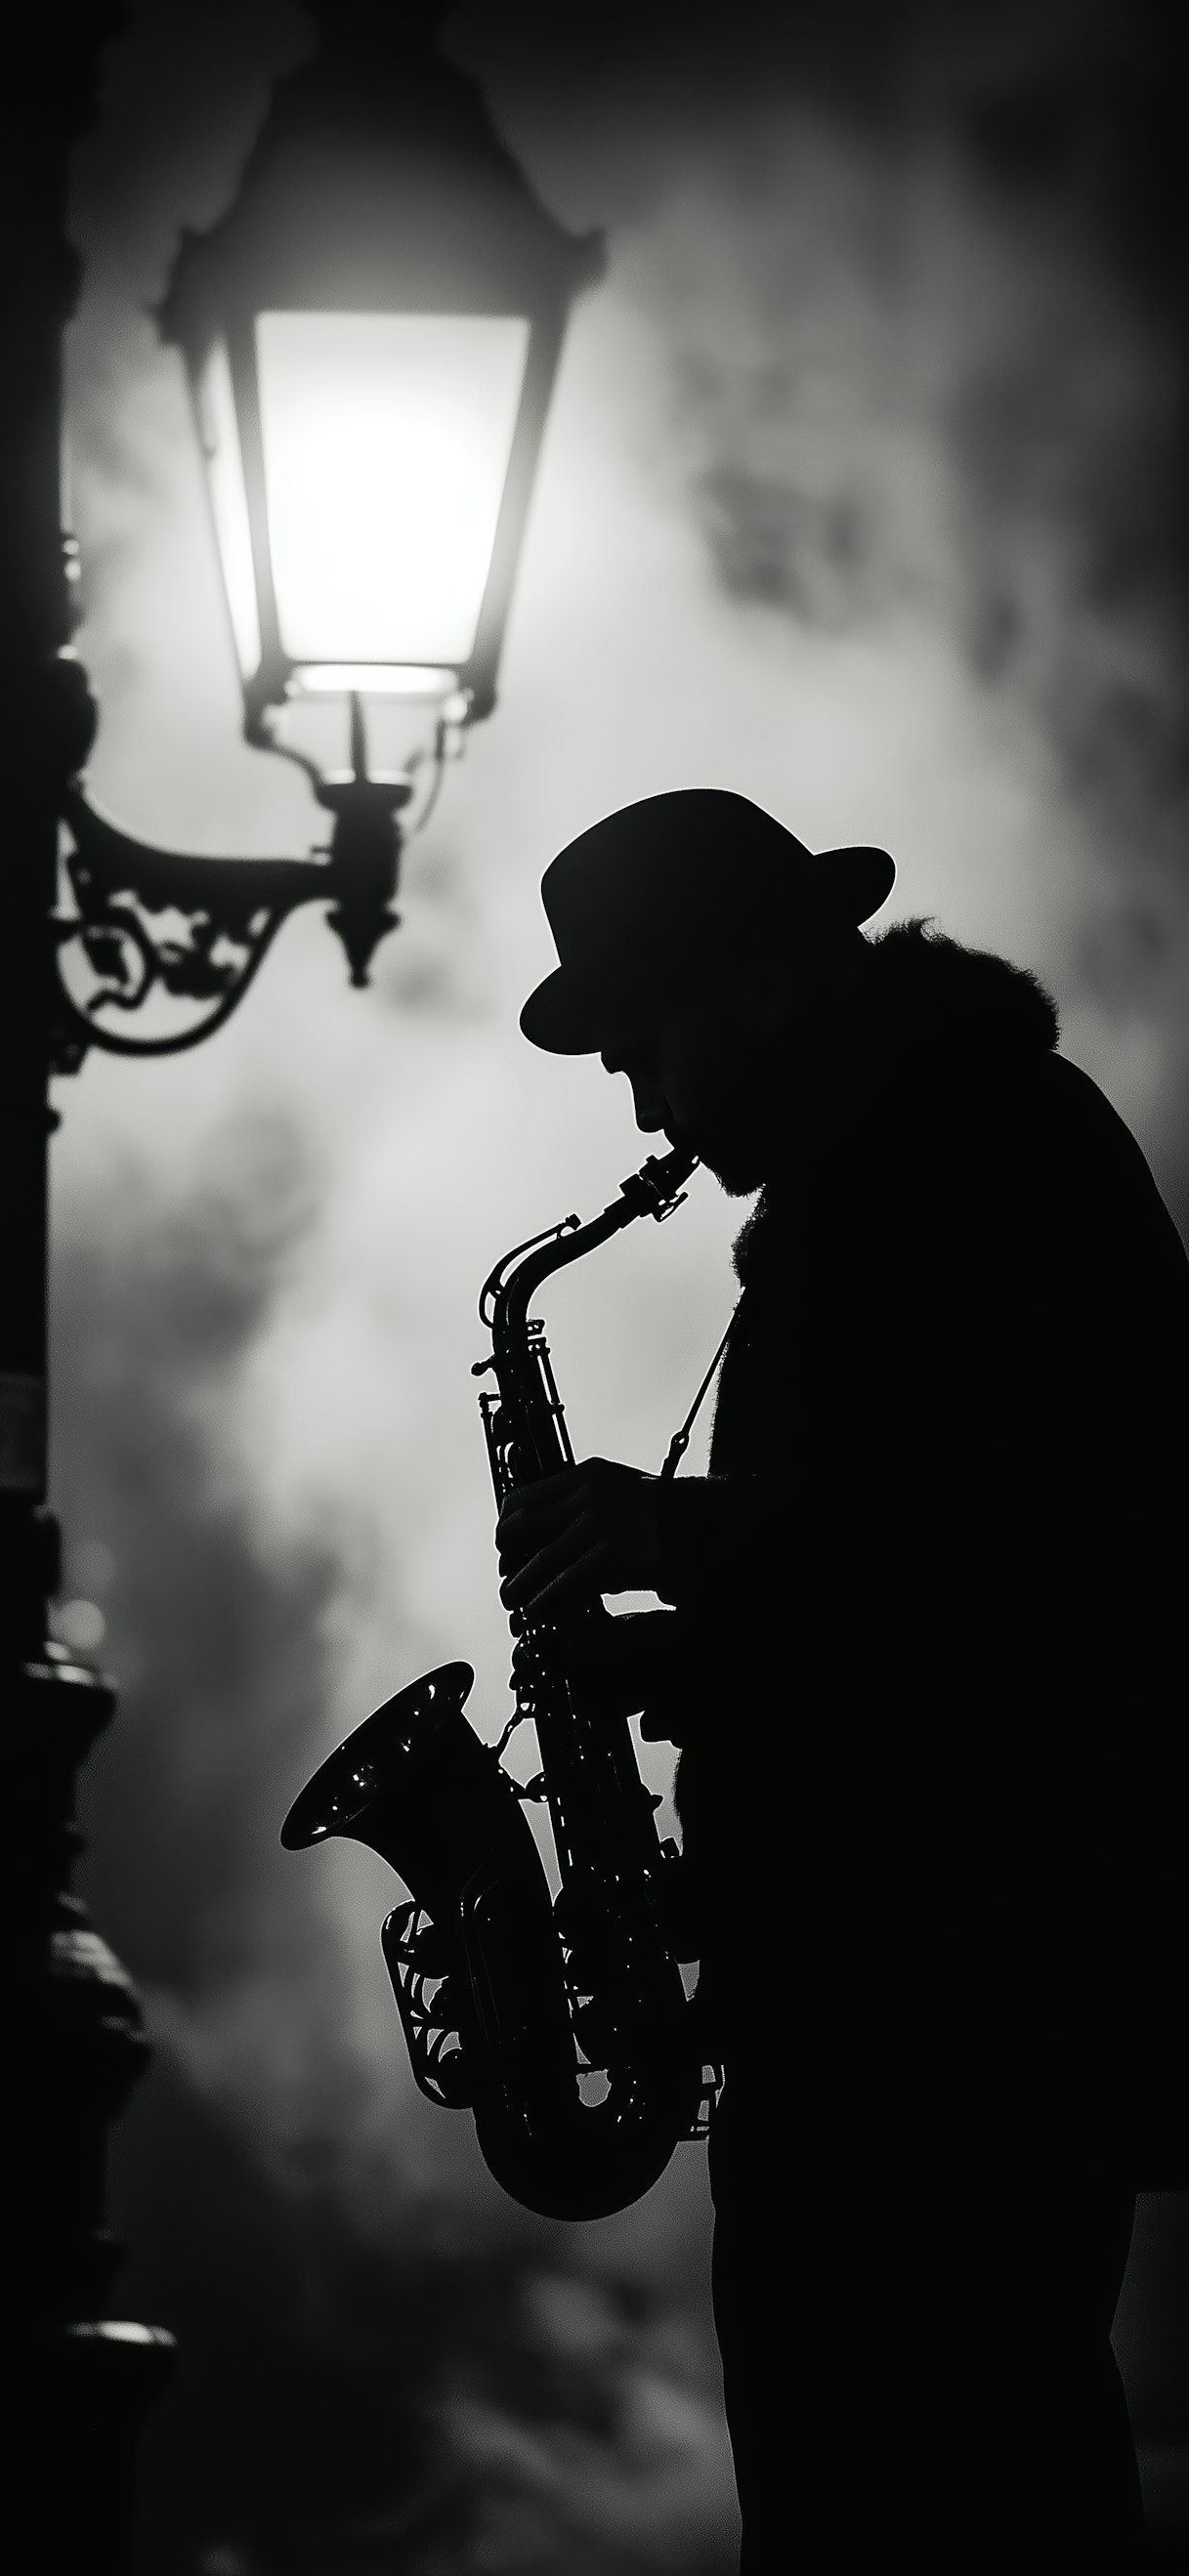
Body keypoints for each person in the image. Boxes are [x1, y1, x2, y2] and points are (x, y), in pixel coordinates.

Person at [495, 788, 1188, 2572]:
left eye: (647, 1044)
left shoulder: (966, 1161)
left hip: (947, 2032)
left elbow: (1026, 1576)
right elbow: (911, 1579)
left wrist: (694, 1552)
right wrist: (708, 1644)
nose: (646, 1104)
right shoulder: (911, 1157)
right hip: (900, 2022)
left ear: (756, 983)